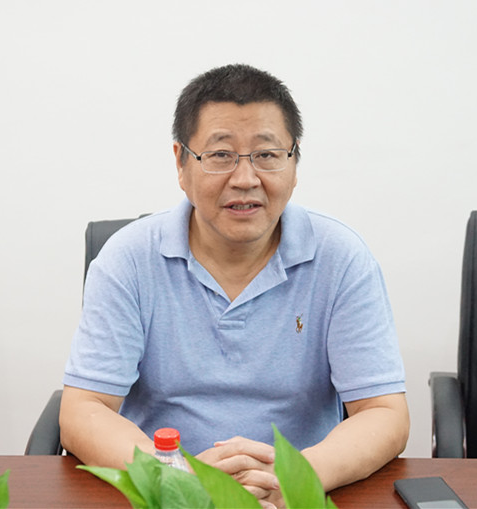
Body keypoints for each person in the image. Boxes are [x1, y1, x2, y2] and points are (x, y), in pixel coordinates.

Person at [60, 63, 409, 508]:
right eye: (221, 155)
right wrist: (180, 478)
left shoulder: (341, 258)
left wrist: (295, 477)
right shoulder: (128, 258)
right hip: (168, 495)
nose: (245, 180)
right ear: (181, 163)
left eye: (267, 154)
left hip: (298, 493)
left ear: (294, 163)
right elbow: (84, 409)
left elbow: (384, 413)